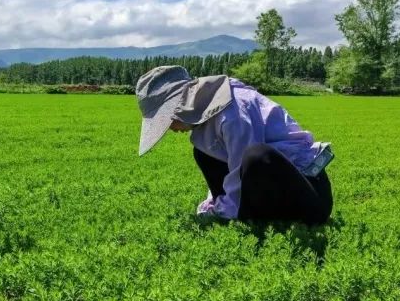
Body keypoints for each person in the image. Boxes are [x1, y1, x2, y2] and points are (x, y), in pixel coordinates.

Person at [135, 66, 333, 224]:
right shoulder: (207, 119)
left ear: (179, 105)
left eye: (167, 121)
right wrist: (213, 203)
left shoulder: (234, 111)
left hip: (310, 196)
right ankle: (247, 215)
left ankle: (238, 214)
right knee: (203, 152)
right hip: (274, 191)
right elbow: (229, 169)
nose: (170, 128)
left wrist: (220, 212)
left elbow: (241, 167)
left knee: (256, 156)